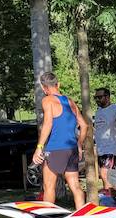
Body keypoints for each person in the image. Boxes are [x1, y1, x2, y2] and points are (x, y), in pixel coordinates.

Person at [31, 71, 89, 207]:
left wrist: (39, 147)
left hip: (55, 148)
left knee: (49, 186)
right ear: (58, 84)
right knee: (75, 186)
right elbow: (84, 125)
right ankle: (82, 217)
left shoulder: (47, 100)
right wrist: (79, 145)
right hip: (71, 148)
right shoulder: (70, 102)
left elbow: (48, 124)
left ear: (44, 87)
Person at [92, 86, 116, 176]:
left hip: (111, 148)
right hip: (101, 148)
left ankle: (109, 190)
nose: (97, 100)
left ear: (107, 97)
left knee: (106, 173)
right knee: (105, 174)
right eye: (95, 98)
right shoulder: (98, 111)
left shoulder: (115, 109)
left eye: (100, 97)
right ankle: (111, 190)